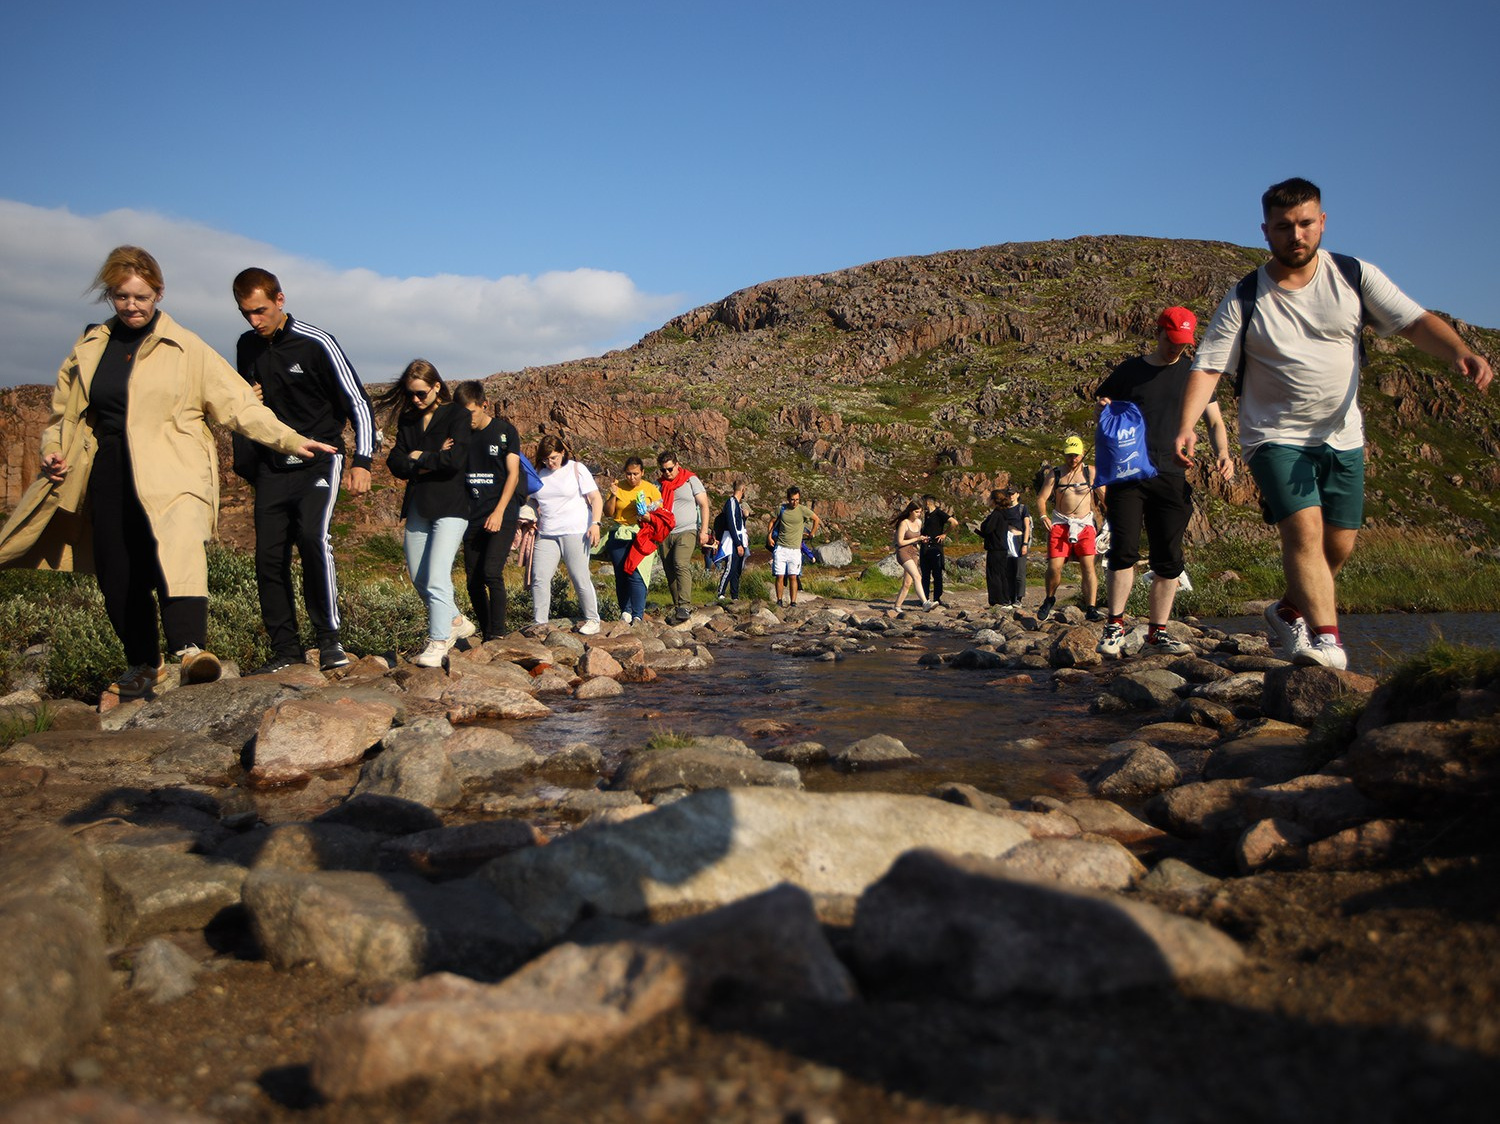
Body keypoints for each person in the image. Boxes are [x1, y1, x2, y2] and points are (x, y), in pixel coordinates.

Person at [1176, 177, 1493, 671]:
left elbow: (1413, 321)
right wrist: (1187, 425)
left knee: (1337, 546)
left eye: (1305, 224)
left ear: (1322, 222)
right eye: (1283, 227)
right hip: (1274, 437)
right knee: (1303, 533)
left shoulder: (1353, 275)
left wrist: (1460, 351)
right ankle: (1327, 642)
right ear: (1266, 231)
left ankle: (1286, 610)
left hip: (1343, 435)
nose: (1296, 235)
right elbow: (1210, 366)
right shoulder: (1245, 296)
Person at [0, 246, 333, 698]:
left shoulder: (186, 347)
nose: (132, 306)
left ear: (159, 293)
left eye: (141, 296)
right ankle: (143, 663)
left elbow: (237, 405)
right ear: (110, 297)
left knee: (177, 548)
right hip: (108, 468)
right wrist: (54, 451)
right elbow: (65, 416)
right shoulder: (91, 346)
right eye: (121, 297)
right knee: (118, 571)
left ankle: (191, 650)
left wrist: (291, 439)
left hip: (174, 466)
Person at [231, 267, 376, 674]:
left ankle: (329, 641)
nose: (254, 321)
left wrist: (363, 461)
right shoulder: (247, 346)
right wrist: (247, 396)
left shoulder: (318, 342)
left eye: (260, 310)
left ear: (280, 300)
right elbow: (242, 406)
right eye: (246, 314)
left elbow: (358, 402)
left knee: (313, 538)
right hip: (273, 465)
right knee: (268, 558)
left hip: (320, 459)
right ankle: (286, 652)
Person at [1094, 307, 1235, 659]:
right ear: (1158, 332)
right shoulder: (1130, 370)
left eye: (1184, 343)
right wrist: (1107, 404)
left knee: (1168, 557)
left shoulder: (1194, 373)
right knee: (1123, 549)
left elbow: (1215, 421)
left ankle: (1158, 633)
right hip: (1130, 473)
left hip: (1172, 475)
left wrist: (1223, 453)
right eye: (1172, 341)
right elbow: (1104, 400)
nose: (1177, 349)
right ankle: (1115, 626)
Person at [379, 360, 472, 667]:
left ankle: (438, 639)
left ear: (436, 386)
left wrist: (418, 455)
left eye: (420, 393)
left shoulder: (457, 415)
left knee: (436, 576)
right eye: (411, 395)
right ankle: (456, 620)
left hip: (451, 505)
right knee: (419, 576)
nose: (415, 400)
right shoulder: (408, 419)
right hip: (419, 503)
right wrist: (431, 455)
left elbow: (456, 460)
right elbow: (396, 462)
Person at [453, 381, 524, 641]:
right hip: (470, 514)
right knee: (473, 581)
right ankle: (485, 633)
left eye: (470, 412)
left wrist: (499, 511)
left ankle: (497, 635)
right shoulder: (459, 435)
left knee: (491, 572)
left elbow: (513, 474)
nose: (466, 419)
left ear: (484, 405)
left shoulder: (505, 431)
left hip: (501, 511)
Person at [530, 434, 603, 634]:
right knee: (540, 577)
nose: (550, 462)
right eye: (546, 459)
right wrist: (529, 511)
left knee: (579, 576)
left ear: (562, 452)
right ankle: (540, 622)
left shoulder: (577, 469)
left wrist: (595, 523)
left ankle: (592, 619)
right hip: (546, 532)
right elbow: (532, 498)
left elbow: (595, 498)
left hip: (575, 530)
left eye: (553, 457)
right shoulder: (538, 473)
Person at [1034, 435, 1103, 620]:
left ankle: (1091, 607)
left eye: (1076, 455)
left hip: (1085, 525)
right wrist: (1043, 516)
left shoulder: (1091, 472)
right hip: (1060, 524)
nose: (1072, 459)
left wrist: (1113, 522)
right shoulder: (1055, 473)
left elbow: (1104, 497)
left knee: (1088, 566)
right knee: (1054, 566)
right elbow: (1041, 498)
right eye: (1069, 455)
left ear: (1082, 454)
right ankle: (1049, 598)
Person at [602, 456, 661, 624]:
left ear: (642, 472)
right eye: (628, 474)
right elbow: (608, 512)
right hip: (619, 535)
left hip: (641, 535)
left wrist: (647, 514)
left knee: (637, 574)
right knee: (621, 574)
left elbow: (660, 512)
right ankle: (625, 611)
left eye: (636, 474)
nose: (632, 478)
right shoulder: (617, 487)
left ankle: (637, 614)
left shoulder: (650, 489)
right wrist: (613, 496)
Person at [655, 450, 711, 622]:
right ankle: (677, 605)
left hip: (687, 530)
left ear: (677, 465)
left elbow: (704, 505)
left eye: (670, 469)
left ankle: (685, 605)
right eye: (663, 470)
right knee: (669, 568)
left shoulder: (690, 480)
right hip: (665, 533)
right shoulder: (659, 485)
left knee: (680, 563)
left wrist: (704, 531)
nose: (667, 473)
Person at [768, 485, 821, 608]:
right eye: (792, 499)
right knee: (779, 576)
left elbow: (816, 519)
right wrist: (769, 537)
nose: (795, 502)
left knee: (793, 576)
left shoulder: (802, 510)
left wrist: (812, 533)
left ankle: (793, 602)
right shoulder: (781, 509)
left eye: (797, 499)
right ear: (788, 499)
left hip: (795, 549)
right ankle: (779, 601)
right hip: (781, 547)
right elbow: (772, 521)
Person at [978, 485, 1031, 609]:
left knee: (1017, 572)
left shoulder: (1020, 509)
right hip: (1005, 542)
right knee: (1007, 572)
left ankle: (1013, 599)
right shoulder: (1004, 511)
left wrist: (1025, 543)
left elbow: (1026, 527)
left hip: (1013, 541)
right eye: (1008, 494)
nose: (1010, 496)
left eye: (1013, 493)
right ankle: (1009, 598)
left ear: (1018, 494)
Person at [890, 501, 933, 612]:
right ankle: (925, 603)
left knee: (907, 583)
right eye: (916, 512)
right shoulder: (904, 523)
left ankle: (897, 606)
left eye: (920, 512)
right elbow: (900, 542)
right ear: (910, 511)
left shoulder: (919, 522)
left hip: (914, 552)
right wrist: (916, 539)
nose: (919, 514)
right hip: (903, 552)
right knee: (917, 577)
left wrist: (922, 540)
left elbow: (917, 538)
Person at [713, 478, 750, 602]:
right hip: (731, 540)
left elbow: (739, 524)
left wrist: (744, 518)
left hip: (738, 539)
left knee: (736, 569)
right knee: (729, 567)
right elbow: (732, 524)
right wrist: (738, 543)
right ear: (742, 489)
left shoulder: (738, 505)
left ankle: (735, 595)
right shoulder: (731, 502)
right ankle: (721, 593)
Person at [918, 494, 958, 608]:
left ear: (928, 502)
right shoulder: (926, 514)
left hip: (936, 546)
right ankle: (924, 598)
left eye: (924, 501)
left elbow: (954, 522)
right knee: (925, 573)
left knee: (937, 573)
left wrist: (944, 534)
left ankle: (937, 598)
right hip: (925, 547)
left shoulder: (939, 513)